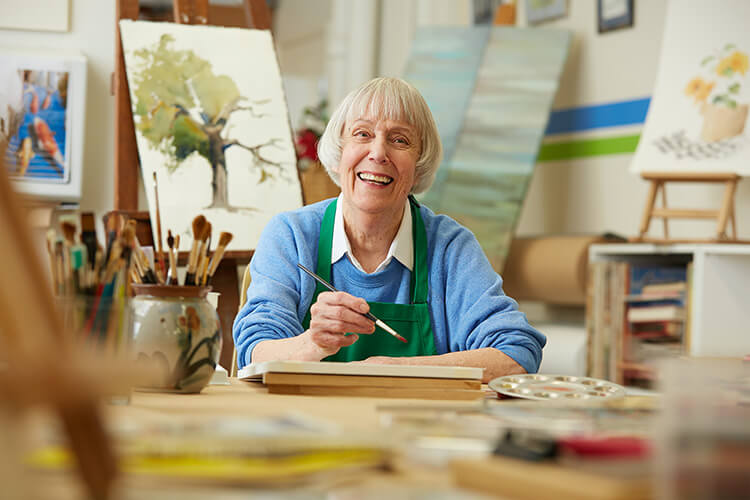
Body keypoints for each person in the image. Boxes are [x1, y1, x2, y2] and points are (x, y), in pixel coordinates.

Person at [233, 77, 545, 382]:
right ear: (340, 150)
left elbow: (516, 353)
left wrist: (392, 370)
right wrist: (314, 343)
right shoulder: (292, 235)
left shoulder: (450, 246)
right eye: (362, 134)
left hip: (416, 429)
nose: (378, 153)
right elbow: (255, 351)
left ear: (419, 163)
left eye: (399, 140)